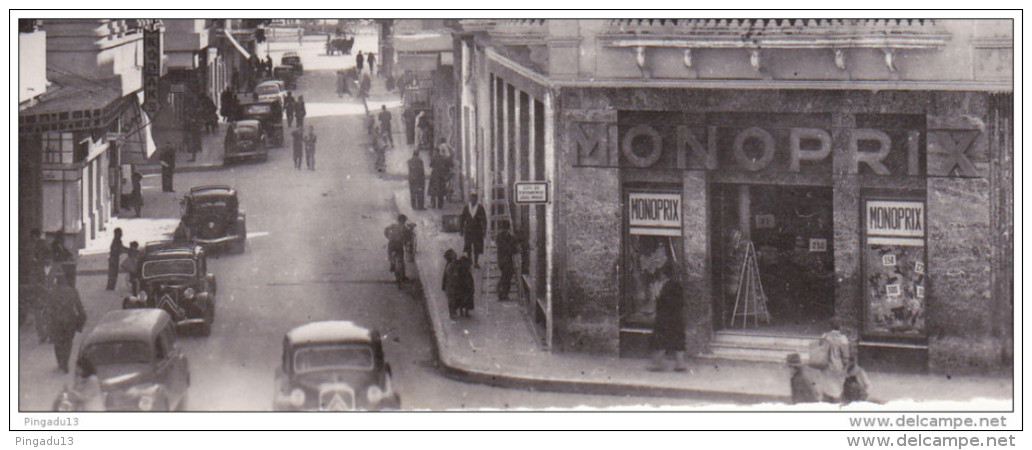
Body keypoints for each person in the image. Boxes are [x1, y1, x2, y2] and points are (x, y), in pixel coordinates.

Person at [647, 262, 687, 372]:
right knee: (678, 340)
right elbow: (680, 302)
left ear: (664, 274)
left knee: (661, 340)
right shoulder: (677, 284)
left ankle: (657, 364)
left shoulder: (666, 286)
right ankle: (680, 364)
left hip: (665, 317)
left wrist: (656, 296)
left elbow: (663, 302)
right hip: (676, 317)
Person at [47, 269, 86, 373]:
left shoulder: (51, 292)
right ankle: (65, 362)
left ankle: (61, 362)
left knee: (58, 342)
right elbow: (79, 307)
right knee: (68, 342)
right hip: (70, 320)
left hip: (56, 321)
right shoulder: (72, 291)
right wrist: (81, 320)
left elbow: (48, 309)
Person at [813, 320, 851, 402]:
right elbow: (846, 356)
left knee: (826, 389)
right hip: (837, 366)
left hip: (825, 366)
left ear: (830, 326)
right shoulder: (843, 339)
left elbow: (819, 347)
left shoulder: (824, 336)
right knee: (837, 390)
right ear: (840, 327)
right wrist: (845, 368)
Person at [459, 193, 487, 268]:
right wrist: (461, 229)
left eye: (474, 199)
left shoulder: (480, 208)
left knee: (477, 247)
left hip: (477, 230)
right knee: (468, 246)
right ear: (470, 199)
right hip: (468, 230)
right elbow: (462, 219)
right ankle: (469, 260)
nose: (473, 200)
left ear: (476, 200)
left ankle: (476, 262)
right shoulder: (466, 208)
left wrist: (484, 230)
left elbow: (484, 220)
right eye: (471, 199)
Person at [384, 214, 412, 288]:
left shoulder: (393, 226)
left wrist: (388, 236)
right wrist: (405, 242)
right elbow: (409, 236)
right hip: (399, 245)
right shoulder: (405, 228)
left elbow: (386, 229)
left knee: (390, 255)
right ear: (403, 221)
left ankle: (392, 263)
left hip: (391, 243)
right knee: (401, 259)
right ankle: (403, 276)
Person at [495, 221, 521, 301]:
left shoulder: (509, 237)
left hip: (507, 260)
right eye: (504, 229)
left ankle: (504, 294)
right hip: (503, 260)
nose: (505, 231)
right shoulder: (500, 237)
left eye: (506, 229)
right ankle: (501, 292)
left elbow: (513, 249)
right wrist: (513, 245)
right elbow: (507, 248)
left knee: (507, 277)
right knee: (505, 277)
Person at [453, 252, 475, 317]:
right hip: (464, 287)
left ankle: (463, 311)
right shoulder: (463, 270)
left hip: (464, 287)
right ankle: (465, 312)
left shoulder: (461, 269)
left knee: (463, 300)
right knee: (465, 300)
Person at [441, 249, 460, 318]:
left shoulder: (450, 264)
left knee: (453, 298)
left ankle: (453, 311)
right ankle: (452, 312)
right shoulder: (450, 265)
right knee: (451, 298)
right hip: (451, 284)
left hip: (452, 284)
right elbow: (449, 275)